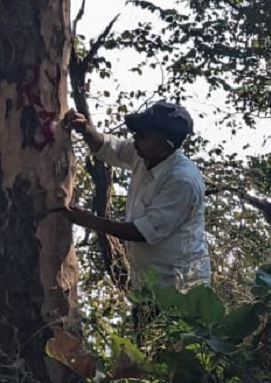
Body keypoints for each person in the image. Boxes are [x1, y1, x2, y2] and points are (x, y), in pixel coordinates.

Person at [63, 101, 211, 291]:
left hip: (179, 289)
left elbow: (143, 232)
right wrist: (85, 129)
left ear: (165, 147)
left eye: (143, 136)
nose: (135, 139)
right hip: (146, 284)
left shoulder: (182, 181)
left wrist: (89, 221)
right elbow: (109, 148)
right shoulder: (143, 153)